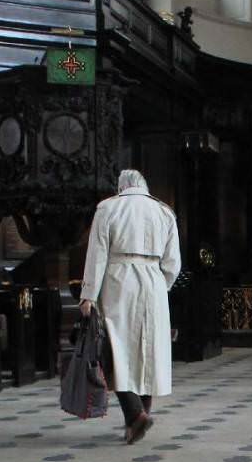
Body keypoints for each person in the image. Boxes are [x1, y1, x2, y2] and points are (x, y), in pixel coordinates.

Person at [78, 169, 181, 444]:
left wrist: (88, 294)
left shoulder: (108, 207)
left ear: (121, 187)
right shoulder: (164, 211)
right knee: (147, 351)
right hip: (154, 279)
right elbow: (173, 263)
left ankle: (135, 415)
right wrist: (162, 285)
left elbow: (97, 253)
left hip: (118, 279)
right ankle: (137, 419)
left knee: (116, 350)